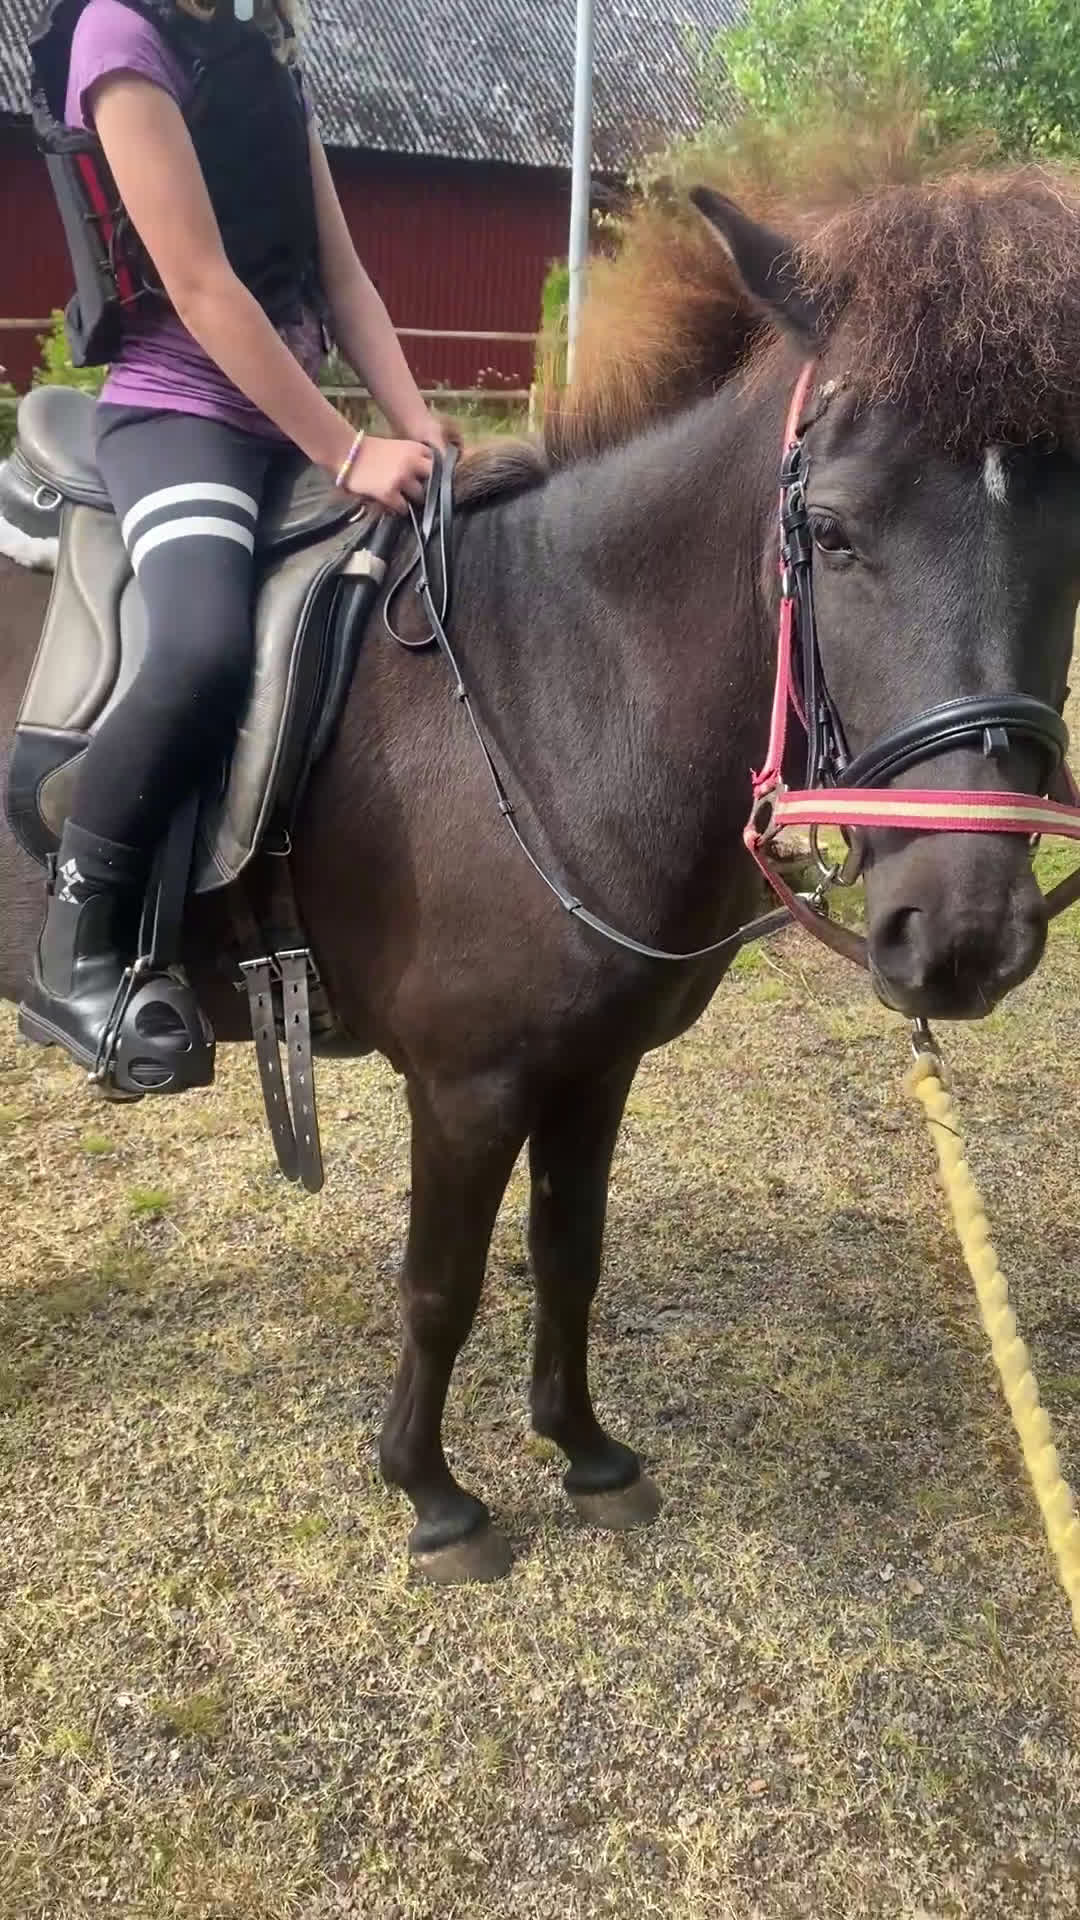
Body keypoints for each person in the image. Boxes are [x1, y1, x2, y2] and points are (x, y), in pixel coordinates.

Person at [20, 0, 456, 1087]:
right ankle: (75, 949)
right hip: (180, 416)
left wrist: (412, 419)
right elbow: (202, 283)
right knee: (204, 648)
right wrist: (349, 449)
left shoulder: (268, 56)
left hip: (283, 422)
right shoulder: (120, 39)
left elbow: (342, 275)